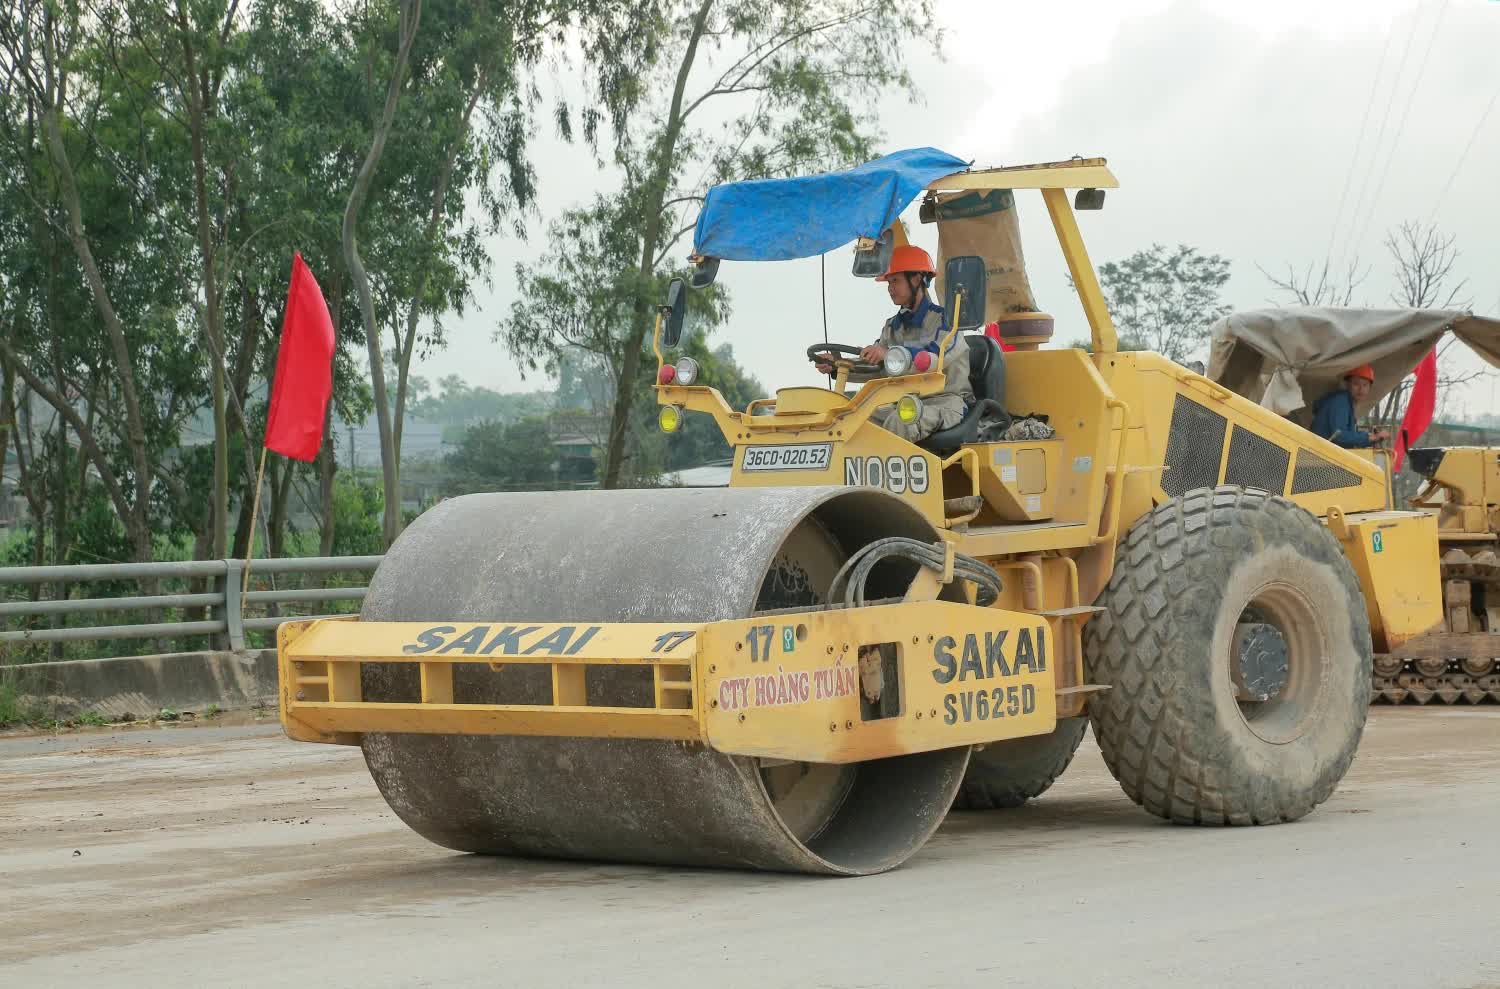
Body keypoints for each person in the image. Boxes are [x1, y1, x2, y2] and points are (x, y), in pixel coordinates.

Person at [814, 245, 972, 442]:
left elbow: (933, 360)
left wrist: (888, 354)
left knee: (901, 421)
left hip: (946, 401)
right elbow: (877, 366)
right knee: (851, 419)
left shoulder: (947, 321)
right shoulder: (892, 327)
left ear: (916, 279)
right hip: (905, 403)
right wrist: (838, 365)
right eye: (888, 282)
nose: (890, 288)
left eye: (895, 280)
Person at [1310, 364, 1390, 448]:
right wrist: (1369, 437)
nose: (1361, 389)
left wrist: (1372, 440)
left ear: (1369, 388)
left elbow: (1348, 440)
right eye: (1356, 384)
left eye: (1365, 385)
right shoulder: (1340, 401)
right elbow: (1339, 436)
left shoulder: (1348, 404)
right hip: (1318, 454)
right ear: (1347, 385)